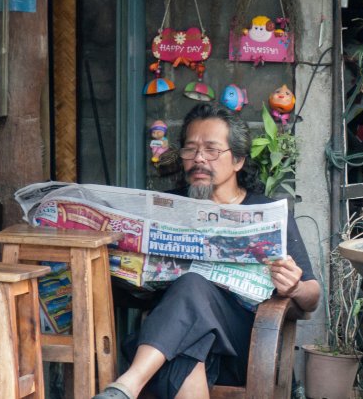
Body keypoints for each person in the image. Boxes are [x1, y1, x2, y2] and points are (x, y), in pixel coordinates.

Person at [94, 103, 320, 399]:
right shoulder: (166, 207)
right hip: (171, 338)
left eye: (211, 150)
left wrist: (294, 286)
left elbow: (313, 297)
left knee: (192, 285)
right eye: (190, 149)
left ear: (238, 160)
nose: (198, 159)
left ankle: (126, 386)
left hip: (241, 345)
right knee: (189, 350)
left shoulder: (265, 212)